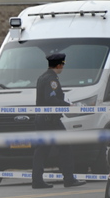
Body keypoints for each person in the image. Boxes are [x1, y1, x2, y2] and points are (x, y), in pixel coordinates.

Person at [31, 53, 86, 189]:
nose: (63, 67)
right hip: (51, 120)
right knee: (65, 148)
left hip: (42, 119)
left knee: (41, 151)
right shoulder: (51, 79)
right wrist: (69, 106)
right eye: (62, 64)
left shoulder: (43, 76)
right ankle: (69, 179)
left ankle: (37, 181)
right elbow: (51, 100)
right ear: (59, 64)